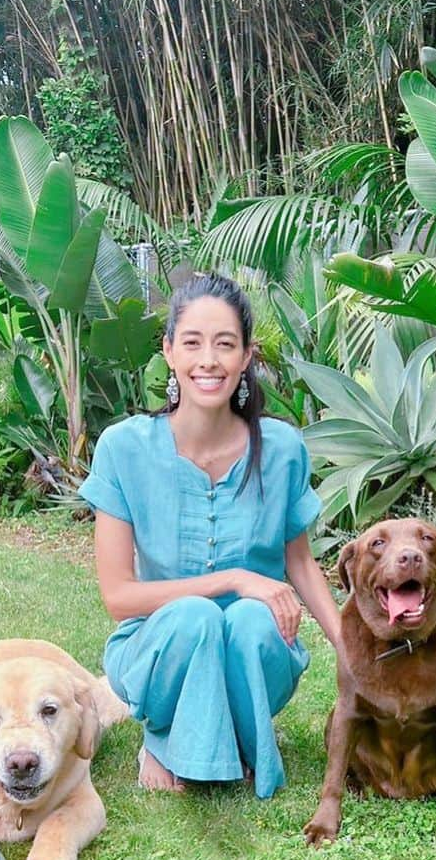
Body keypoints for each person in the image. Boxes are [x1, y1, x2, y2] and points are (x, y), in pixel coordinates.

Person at [78, 274, 342, 798]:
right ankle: (165, 736)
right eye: (193, 343)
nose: (209, 360)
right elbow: (119, 598)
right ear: (169, 351)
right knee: (198, 616)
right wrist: (238, 577)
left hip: (257, 646)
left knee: (249, 619)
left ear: (246, 357)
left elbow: (302, 563)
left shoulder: (283, 448)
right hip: (160, 647)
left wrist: (349, 650)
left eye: (225, 344)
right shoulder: (123, 448)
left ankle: (230, 736)